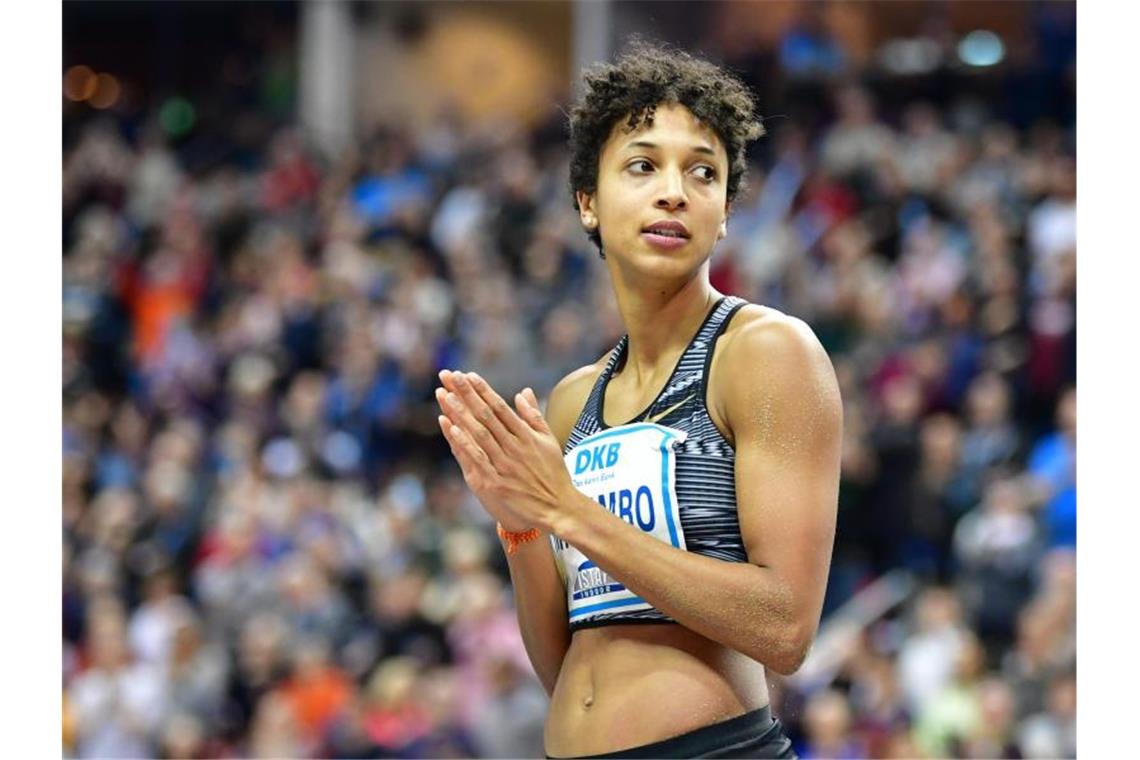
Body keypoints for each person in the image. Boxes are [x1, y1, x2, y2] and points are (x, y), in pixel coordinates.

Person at [435, 41, 841, 759]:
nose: (674, 191)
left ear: (723, 214)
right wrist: (523, 529)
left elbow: (786, 631)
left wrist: (571, 512)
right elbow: (564, 668)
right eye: (643, 165)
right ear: (588, 202)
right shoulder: (573, 402)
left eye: (703, 173)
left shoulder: (765, 352)